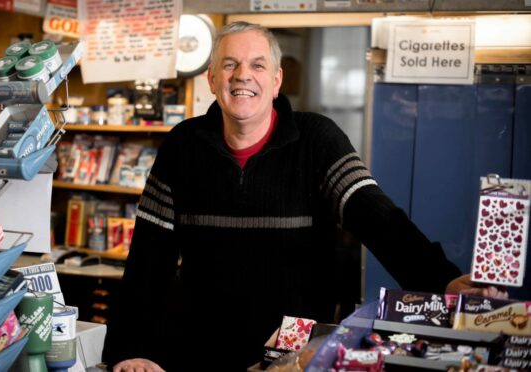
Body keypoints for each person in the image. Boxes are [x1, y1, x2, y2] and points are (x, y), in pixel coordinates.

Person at [111, 21, 507, 372]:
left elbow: (377, 216)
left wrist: (441, 278)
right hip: (195, 351)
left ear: (277, 80)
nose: (242, 76)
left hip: (292, 358)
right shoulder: (183, 145)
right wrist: (130, 351)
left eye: (257, 65)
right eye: (229, 65)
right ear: (212, 79)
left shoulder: (317, 140)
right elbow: (149, 257)